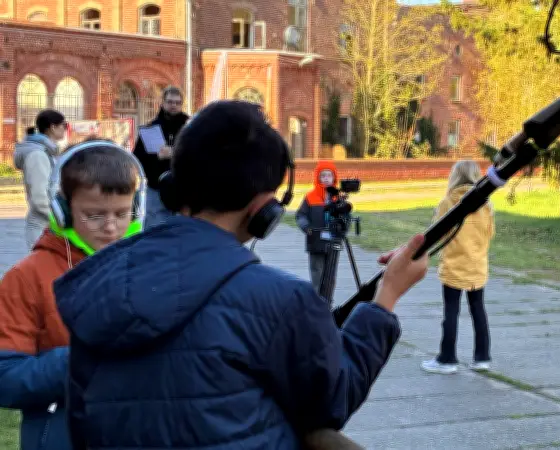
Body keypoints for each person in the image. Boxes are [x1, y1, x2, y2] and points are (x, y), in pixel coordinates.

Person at [54, 100, 429, 449]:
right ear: (263, 210)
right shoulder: (284, 302)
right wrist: (386, 298)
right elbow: (332, 401)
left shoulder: (95, 282)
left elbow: (79, 418)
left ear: (173, 186)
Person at [0, 140, 144, 450]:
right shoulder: (27, 278)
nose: (111, 227)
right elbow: (6, 378)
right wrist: (82, 358)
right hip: (62, 434)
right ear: (61, 211)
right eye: (94, 215)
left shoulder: (148, 267)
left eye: (122, 213)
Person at [421, 160, 495, 375]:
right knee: (478, 310)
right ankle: (482, 357)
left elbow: (438, 232)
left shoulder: (449, 202)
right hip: (477, 265)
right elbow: (490, 233)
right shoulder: (486, 204)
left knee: (451, 312)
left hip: (454, 265)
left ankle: (447, 358)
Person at [132, 85, 189, 228]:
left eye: (177, 103)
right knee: (155, 230)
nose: (173, 106)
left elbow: (201, 153)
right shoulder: (151, 128)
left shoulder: (191, 127)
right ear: (162, 103)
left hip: (183, 188)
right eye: (170, 102)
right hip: (156, 189)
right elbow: (137, 158)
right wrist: (156, 157)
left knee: (182, 231)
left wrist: (174, 153)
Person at [14, 110, 67, 249]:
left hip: (49, 225)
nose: (66, 129)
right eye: (64, 125)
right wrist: (60, 219)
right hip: (43, 226)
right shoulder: (37, 155)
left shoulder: (47, 152)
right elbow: (39, 197)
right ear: (53, 127)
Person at [295, 160, 339, 295]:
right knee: (316, 272)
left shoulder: (338, 197)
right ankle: (316, 300)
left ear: (334, 177)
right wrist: (306, 227)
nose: (326, 179)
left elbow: (345, 218)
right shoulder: (310, 197)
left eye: (329, 175)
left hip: (333, 242)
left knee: (330, 275)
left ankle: (327, 301)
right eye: (323, 175)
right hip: (315, 241)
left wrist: (341, 231)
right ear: (318, 177)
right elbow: (300, 215)